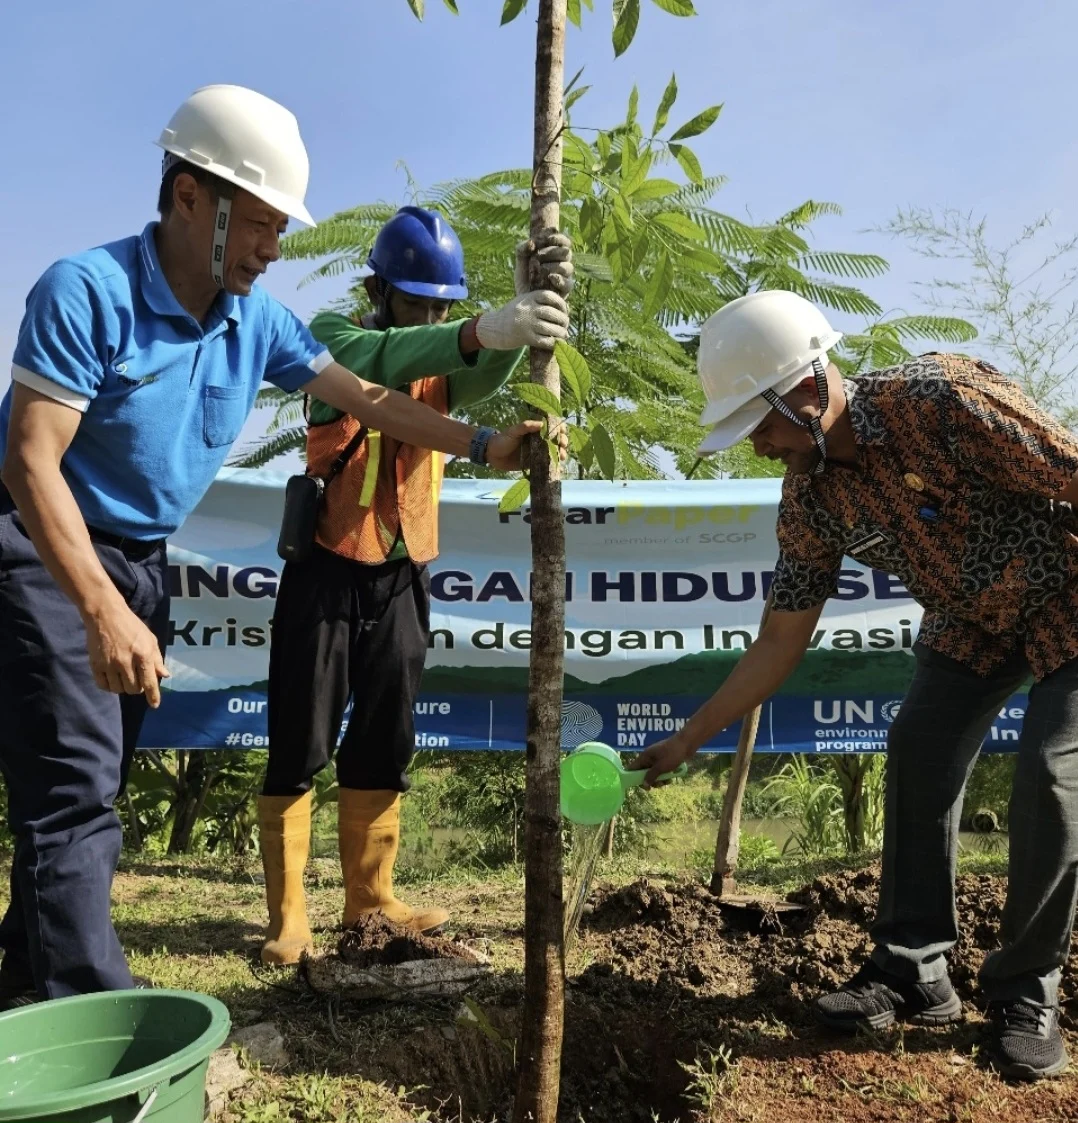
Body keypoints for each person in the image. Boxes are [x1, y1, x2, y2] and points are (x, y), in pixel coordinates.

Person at [0, 84, 567, 1009]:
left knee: (89, 779)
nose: (275, 247)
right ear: (189, 196)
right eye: (261, 222)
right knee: (75, 794)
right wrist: (99, 608)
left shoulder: (254, 321)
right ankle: (95, 1021)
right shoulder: (87, 292)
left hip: (140, 559)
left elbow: (373, 399)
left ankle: (26, 977)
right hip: (44, 542)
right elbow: (31, 464)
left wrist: (484, 443)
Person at [632, 289, 1078, 1081]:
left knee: (1050, 771)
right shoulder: (810, 496)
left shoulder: (942, 403)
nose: (759, 448)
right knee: (918, 746)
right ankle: (914, 969)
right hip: (971, 619)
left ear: (806, 388)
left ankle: (1026, 991)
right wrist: (690, 735)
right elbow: (779, 639)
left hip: (1070, 593)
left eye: (759, 426)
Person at [256, 207, 573, 963]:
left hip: (402, 573)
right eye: (417, 301)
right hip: (327, 569)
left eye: (444, 304)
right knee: (300, 734)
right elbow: (388, 360)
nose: (432, 315)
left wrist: (521, 320)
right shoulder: (336, 339)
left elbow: (476, 367)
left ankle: (370, 897)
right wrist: (474, 331)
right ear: (382, 290)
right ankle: (288, 914)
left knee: (386, 734)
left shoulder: (434, 360)